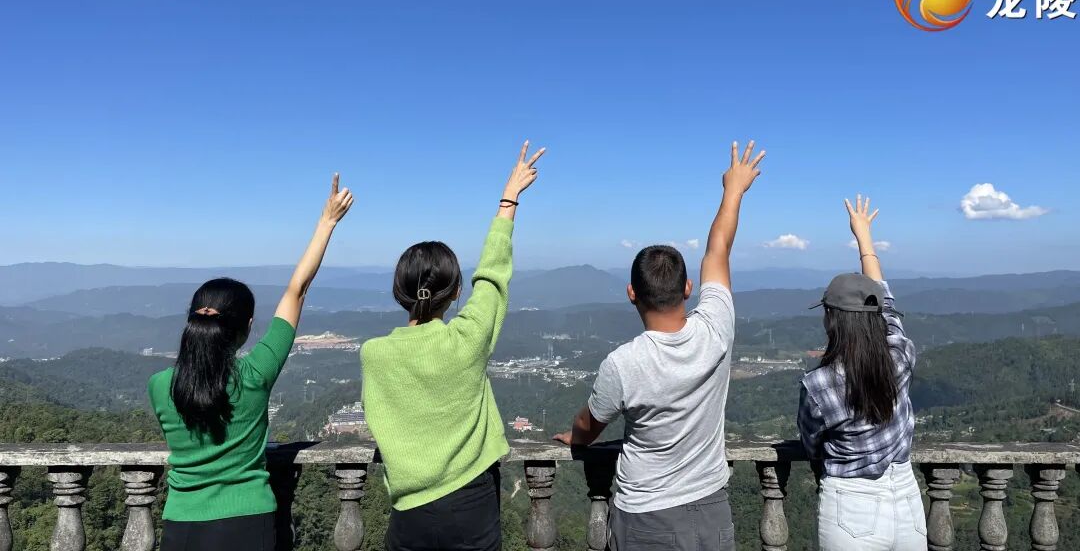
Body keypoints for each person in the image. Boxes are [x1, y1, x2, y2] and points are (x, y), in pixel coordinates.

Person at [554, 141, 766, 551]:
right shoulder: (716, 329)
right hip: (712, 508)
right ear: (688, 289)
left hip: (645, 516)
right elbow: (718, 249)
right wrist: (734, 190)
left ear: (631, 293)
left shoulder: (623, 363)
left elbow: (588, 426)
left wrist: (575, 437)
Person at [148, 174, 354, 551]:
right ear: (245, 327)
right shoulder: (255, 375)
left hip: (180, 525)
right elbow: (297, 290)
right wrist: (327, 223)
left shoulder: (161, 386)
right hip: (248, 522)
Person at [362, 141, 545, 551]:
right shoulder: (467, 339)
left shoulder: (374, 354)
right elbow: (493, 276)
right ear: (458, 291)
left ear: (398, 292)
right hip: (473, 502)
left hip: (409, 511)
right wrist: (509, 199)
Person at [798, 195, 926, 550]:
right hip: (906, 496)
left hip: (851, 503)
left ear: (831, 319)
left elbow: (812, 443)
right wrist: (864, 236)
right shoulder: (900, 356)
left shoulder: (818, 385)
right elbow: (887, 305)